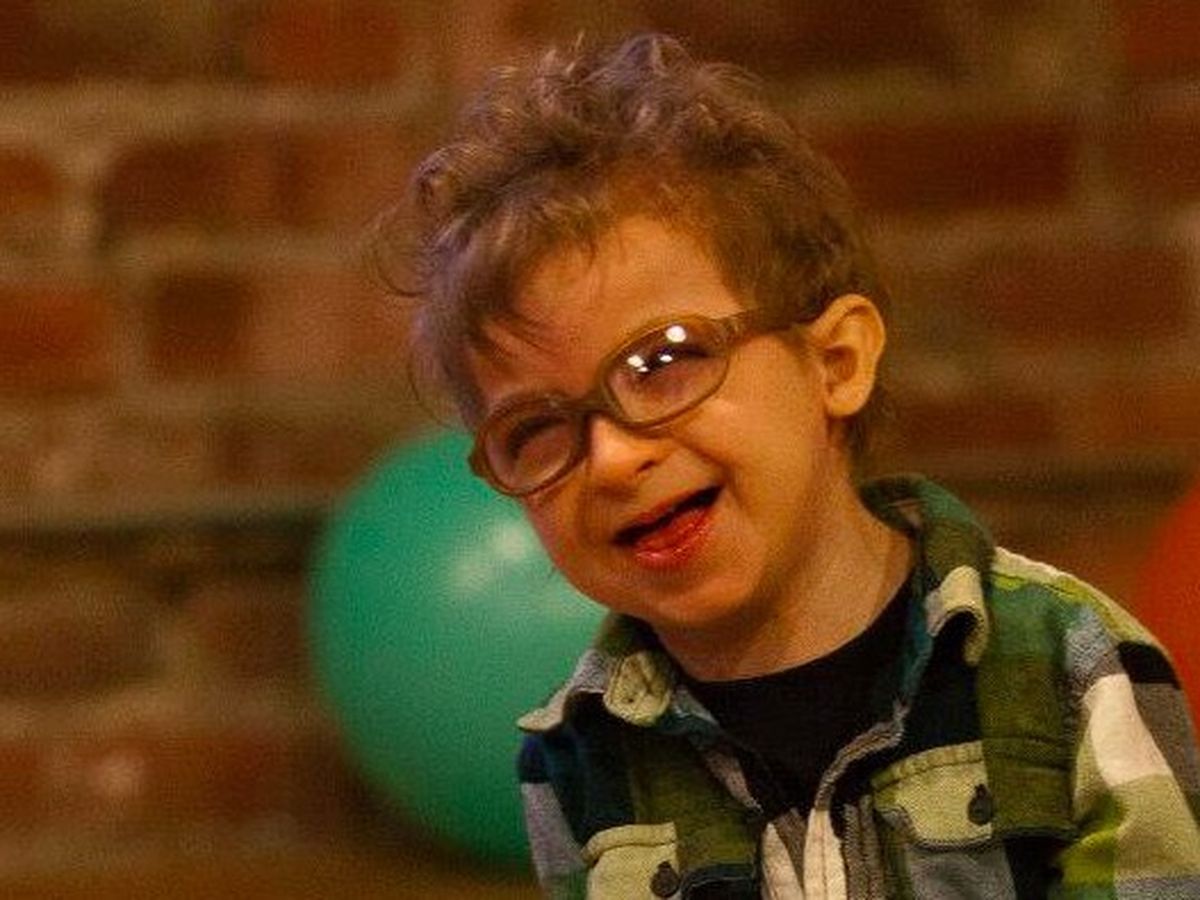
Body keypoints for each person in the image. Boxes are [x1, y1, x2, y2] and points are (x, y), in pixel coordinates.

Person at [385, 32, 1200, 899]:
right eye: (536, 429)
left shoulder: (1071, 664)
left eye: (664, 362)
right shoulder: (577, 760)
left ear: (836, 362)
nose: (615, 458)